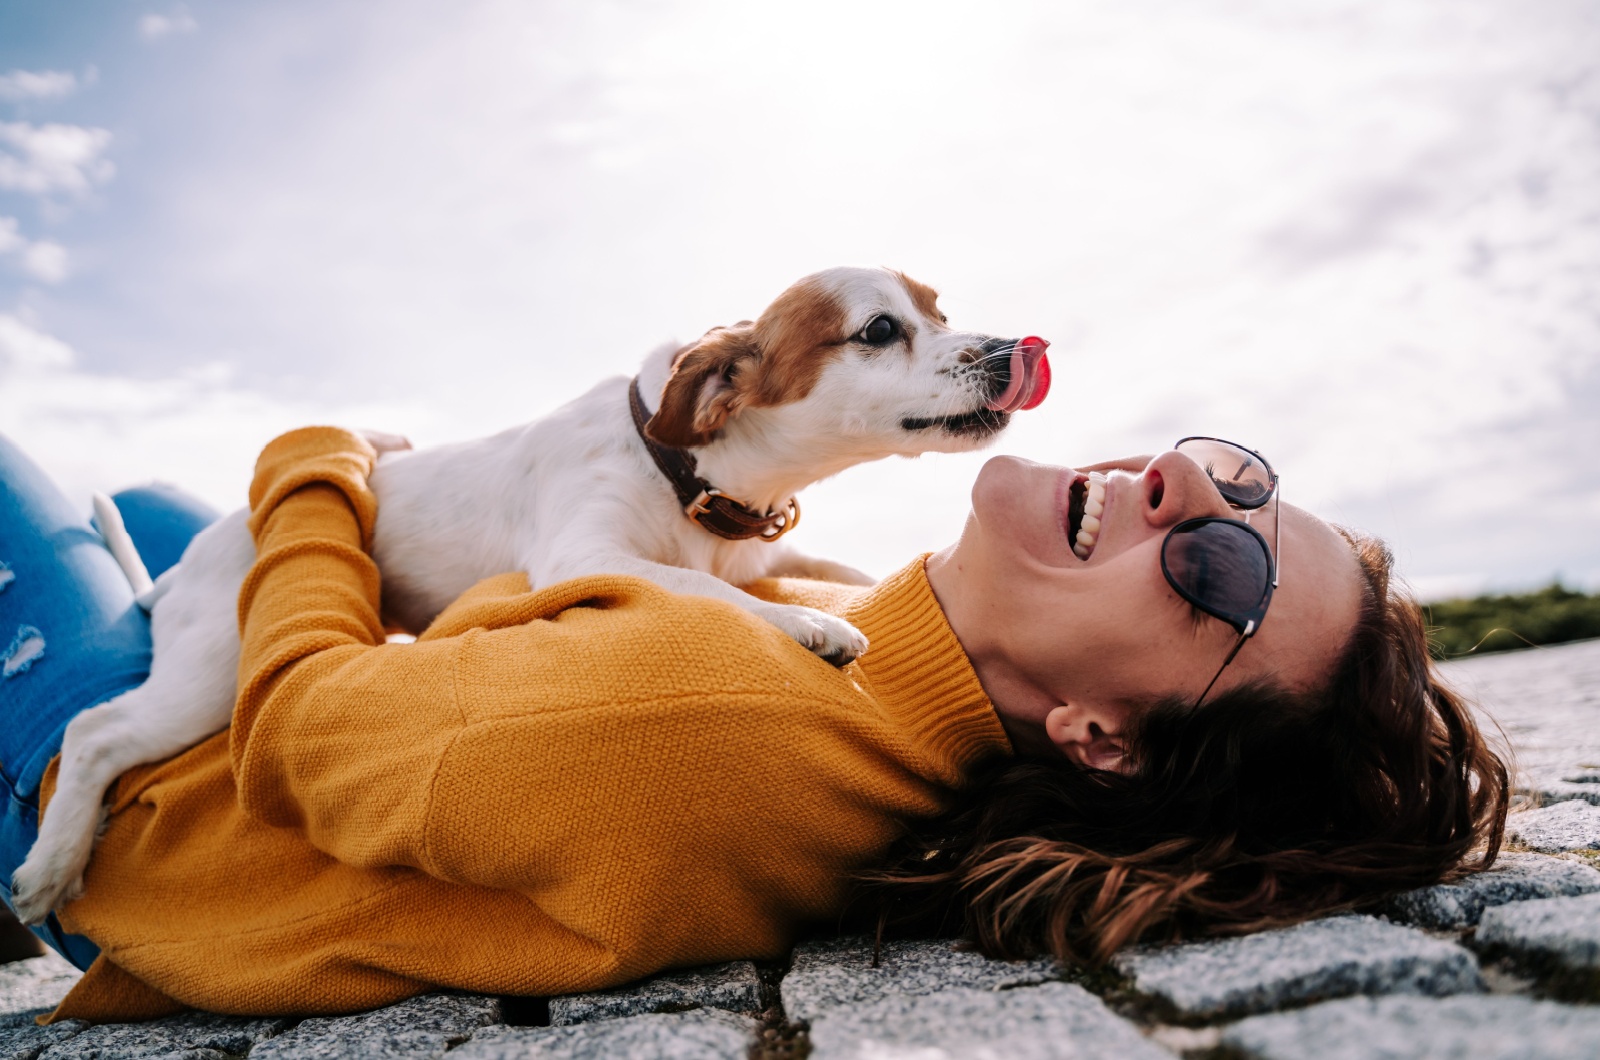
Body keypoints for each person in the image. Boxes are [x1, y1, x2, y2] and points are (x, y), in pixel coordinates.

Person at [0, 427, 1507, 1023]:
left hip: (141, 818)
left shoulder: (710, 716)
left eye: (1217, 572)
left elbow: (307, 736)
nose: (1186, 493)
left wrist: (322, 463)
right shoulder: (878, 636)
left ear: (1102, 737)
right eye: (1234, 479)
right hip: (224, 719)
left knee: (44, 489)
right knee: (149, 513)